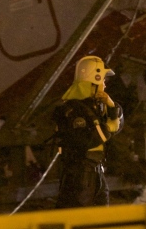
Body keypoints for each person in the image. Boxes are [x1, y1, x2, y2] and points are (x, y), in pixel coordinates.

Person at [53, 55, 124, 208]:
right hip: (80, 174)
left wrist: (112, 106)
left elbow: (118, 125)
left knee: (100, 214)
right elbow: (86, 139)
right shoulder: (74, 110)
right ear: (94, 80)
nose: (104, 85)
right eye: (102, 80)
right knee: (79, 214)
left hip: (95, 171)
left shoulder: (94, 106)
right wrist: (109, 128)